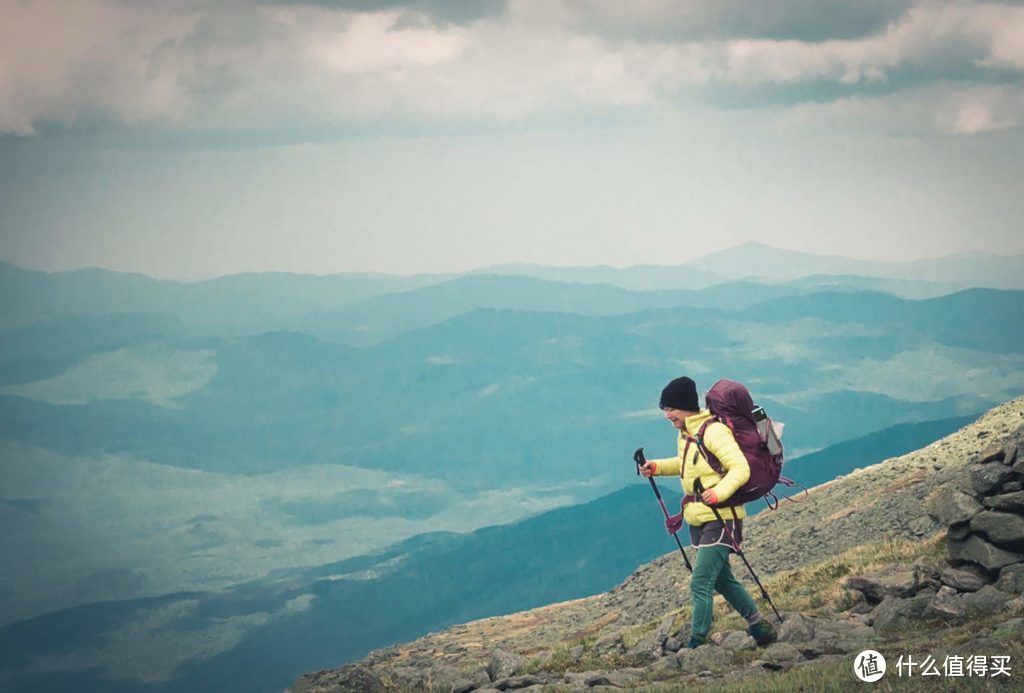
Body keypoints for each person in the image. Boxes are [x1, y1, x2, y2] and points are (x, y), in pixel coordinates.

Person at [640, 376, 777, 649]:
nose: (667, 416)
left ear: (684, 406)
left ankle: (696, 643)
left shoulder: (713, 432)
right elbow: (686, 464)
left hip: (723, 517)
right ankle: (760, 627)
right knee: (724, 580)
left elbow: (740, 469)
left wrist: (718, 493)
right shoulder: (687, 434)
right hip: (699, 518)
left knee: (700, 581)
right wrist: (656, 467)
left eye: (670, 409)